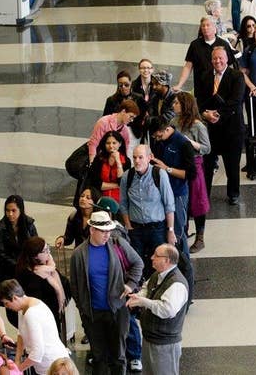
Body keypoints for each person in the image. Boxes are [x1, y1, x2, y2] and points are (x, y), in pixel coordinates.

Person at [69, 211, 144, 375]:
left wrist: (131, 284)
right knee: (98, 356)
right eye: (103, 231)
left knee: (118, 355)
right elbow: (74, 284)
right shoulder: (78, 254)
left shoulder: (118, 244)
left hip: (117, 310)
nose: (107, 234)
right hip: (93, 314)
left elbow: (138, 263)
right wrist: (82, 308)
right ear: (92, 230)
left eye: (109, 230)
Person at [147, 118, 196, 303]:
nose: (156, 138)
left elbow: (190, 174)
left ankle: (188, 293)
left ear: (166, 128)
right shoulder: (160, 142)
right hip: (161, 197)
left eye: (158, 134)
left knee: (178, 242)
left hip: (177, 195)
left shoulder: (183, 144)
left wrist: (166, 169)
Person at [125, 244, 189, 375]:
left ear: (167, 260)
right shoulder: (157, 275)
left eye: (156, 255)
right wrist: (139, 296)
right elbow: (146, 287)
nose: (152, 257)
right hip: (150, 339)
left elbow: (167, 310)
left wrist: (143, 302)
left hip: (164, 345)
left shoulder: (177, 284)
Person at [119, 144, 176, 284]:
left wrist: (170, 230)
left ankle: (156, 289)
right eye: (134, 157)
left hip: (157, 228)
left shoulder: (159, 174)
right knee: (137, 262)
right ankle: (138, 291)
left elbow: (169, 204)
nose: (137, 161)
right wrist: (127, 225)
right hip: (136, 229)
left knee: (158, 261)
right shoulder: (128, 176)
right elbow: (124, 203)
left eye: (140, 157)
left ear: (149, 158)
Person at [198, 46, 246, 205]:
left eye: (221, 58)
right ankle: (205, 195)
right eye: (214, 58)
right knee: (207, 165)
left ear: (227, 59)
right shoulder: (204, 76)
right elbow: (199, 100)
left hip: (232, 129)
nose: (217, 61)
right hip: (210, 130)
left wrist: (216, 114)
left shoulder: (237, 76)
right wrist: (205, 114)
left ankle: (233, 193)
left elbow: (236, 101)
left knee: (232, 164)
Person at [0, 279, 72, 375]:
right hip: (43, 363)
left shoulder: (31, 314)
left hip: (52, 364)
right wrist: (17, 359)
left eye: (6, 303)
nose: (6, 306)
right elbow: (21, 334)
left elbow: (37, 353)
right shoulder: (23, 307)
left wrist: (18, 369)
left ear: (15, 298)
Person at [170, 92, 211, 253]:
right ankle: (183, 232)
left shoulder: (198, 125)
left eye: (177, 103)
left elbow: (206, 148)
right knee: (181, 201)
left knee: (197, 200)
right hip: (178, 164)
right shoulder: (173, 122)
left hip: (194, 164)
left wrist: (191, 143)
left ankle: (200, 237)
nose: (174, 106)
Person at [0, 195, 38, 326]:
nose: (10, 214)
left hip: (27, 272)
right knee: (11, 310)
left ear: (20, 210)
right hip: (8, 273)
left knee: (28, 305)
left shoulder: (28, 224)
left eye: (13, 211)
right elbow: (1, 255)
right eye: (7, 210)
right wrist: (19, 265)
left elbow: (35, 245)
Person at [172, 16, 239, 107]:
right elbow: (188, 66)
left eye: (208, 25)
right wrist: (179, 84)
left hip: (221, 89)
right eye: (203, 26)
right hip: (201, 89)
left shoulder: (223, 44)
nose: (205, 28)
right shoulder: (195, 45)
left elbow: (230, 66)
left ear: (214, 28)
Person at [15, 237, 71, 333]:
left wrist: (52, 270)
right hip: (40, 318)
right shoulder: (28, 274)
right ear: (35, 256)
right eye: (45, 251)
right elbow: (35, 298)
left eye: (48, 248)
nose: (48, 252)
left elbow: (65, 285)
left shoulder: (49, 267)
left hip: (54, 315)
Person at [88, 130, 131, 201]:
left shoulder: (126, 161)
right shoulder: (99, 159)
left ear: (120, 144)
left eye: (114, 143)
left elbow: (122, 182)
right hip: (99, 195)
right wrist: (116, 185)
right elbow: (96, 184)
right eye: (108, 143)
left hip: (119, 197)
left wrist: (118, 161)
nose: (111, 146)